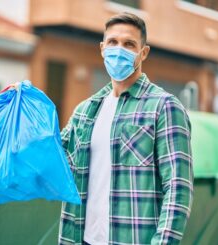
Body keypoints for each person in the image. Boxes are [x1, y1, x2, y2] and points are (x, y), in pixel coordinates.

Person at [59, 12, 193, 245]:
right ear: (102, 48)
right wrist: (23, 104)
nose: (119, 49)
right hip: (82, 240)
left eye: (129, 44)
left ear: (143, 52)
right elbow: (51, 160)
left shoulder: (164, 107)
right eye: (113, 42)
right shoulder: (85, 111)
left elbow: (178, 188)